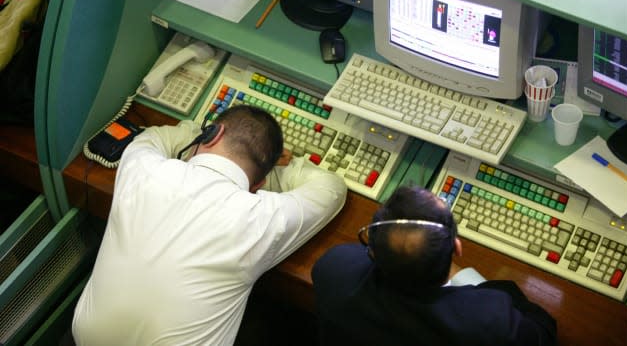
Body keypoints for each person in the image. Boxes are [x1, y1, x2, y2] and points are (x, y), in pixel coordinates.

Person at [72, 105, 347, 346]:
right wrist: (278, 169)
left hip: (85, 339)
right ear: (258, 186)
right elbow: (332, 187)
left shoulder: (143, 168)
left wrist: (197, 131)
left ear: (212, 134)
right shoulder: (262, 217)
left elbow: (154, 136)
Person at [311, 186, 557, 346]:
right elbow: (543, 331)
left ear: (372, 250)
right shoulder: (489, 318)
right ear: (457, 249)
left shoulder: (335, 268)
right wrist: (472, 278)